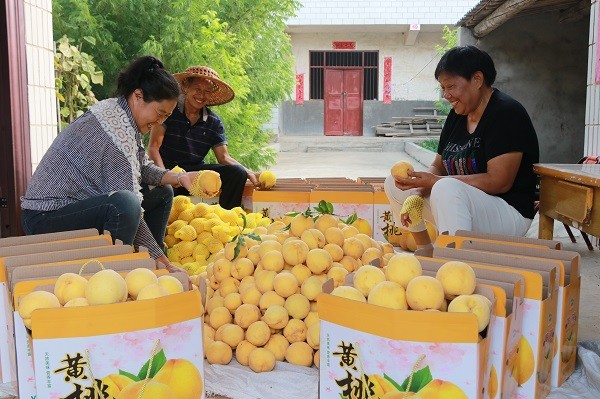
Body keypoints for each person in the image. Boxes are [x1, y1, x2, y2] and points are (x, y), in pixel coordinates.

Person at [21, 56, 200, 271]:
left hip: (72, 206)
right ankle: (116, 273)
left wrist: (180, 177)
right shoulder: (114, 133)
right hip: (46, 218)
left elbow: (141, 167)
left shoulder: (121, 117)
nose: (159, 122)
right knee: (124, 204)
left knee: (162, 192)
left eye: (166, 117)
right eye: (159, 113)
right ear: (138, 96)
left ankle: (147, 261)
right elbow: (129, 206)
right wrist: (161, 260)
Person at [384, 45, 539, 249]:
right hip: (461, 204)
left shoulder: (507, 113)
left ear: (477, 80)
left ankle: (456, 263)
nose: (446, 95)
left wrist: (436, 181)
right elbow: (438, 166)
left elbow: (499, 181)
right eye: (443, 89)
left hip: (508, 212)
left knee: (445, 187)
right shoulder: (457, 116)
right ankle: (425, 250)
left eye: (451, 87)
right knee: (394, 184)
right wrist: (417, 191)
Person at [148, 65, 259, 209]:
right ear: (186, 87)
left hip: (195, 173)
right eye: (197, 89)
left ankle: (227, 217)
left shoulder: (214, 121)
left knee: (236, 172)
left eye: (207, 91)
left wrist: (247, 171)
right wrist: (165, 177)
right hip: (168, 169)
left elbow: (224, 157)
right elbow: (153, 147)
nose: (201, 95)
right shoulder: (169, 111)